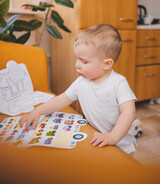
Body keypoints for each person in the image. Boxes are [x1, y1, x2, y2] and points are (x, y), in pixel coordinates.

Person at [20, 23, 136, 154]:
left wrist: (113, 136)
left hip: (120, 143)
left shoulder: (118, 83)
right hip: (97, 136)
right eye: (77, 59)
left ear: (107, 64)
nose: (77, 65)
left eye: (84, 61)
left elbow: (129, 112)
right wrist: (38, 111)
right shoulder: (81, 82)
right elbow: (62, 99)